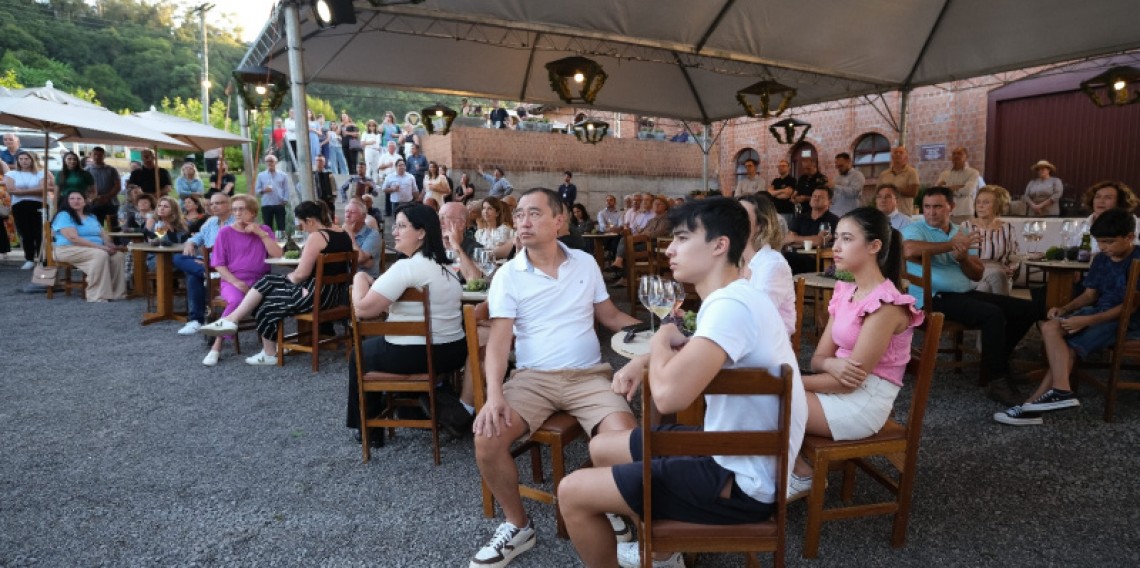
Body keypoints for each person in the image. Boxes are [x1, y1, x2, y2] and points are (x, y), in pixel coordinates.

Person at [558, 197, 807, 568]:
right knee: (603, 447)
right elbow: (697, 352)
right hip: (734, 453)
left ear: (719, 245)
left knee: (571, 492)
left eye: (682, 238)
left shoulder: (731, 306)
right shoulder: (736, 297)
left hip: (743, 482)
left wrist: (660, 338)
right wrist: (643, 360)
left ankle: (655, 542)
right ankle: (661, 552)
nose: (669, 249)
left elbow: (668, 396)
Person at [469, 188, 642, 568]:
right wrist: (495, 395)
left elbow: (611, 316)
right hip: (533, 379)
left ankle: (611, 503)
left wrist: (656, 331)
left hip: (588, 377)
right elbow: (498, 343)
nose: (523, 221)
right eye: (519, 215)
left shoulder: (585, 263)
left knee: (624, 442)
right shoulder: (508, 275)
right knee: (487, 437)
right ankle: (518, 525)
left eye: (534, 213)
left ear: (559, 221)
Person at [787, 207, 922, 499]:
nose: (835, 246)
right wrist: (832, 364)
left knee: (769, 399)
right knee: (763, 395)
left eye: (847, 239)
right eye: (836, 237)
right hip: (837, 386)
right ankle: (778, 473)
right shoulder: (845, 290)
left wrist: (789, 382)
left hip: (861, 404)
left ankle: (798, 474)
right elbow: (818, 360)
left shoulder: (886, 305)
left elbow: (850, 383)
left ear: (874, 246)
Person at [995, 209, 1140, 426]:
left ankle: (1031, 407)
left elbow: (1130, 307)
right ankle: (1060, 390)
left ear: (1130, 237)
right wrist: (1064, 309)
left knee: (1065, 348)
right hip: (1099, 313)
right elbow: (1090, 295)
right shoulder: (1102, 259)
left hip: (1127, 320)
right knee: (1050, 327)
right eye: (1100, 241)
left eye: (1109, 242)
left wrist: (1086, 321)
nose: (1103, 247)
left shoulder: (1137, 260)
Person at [346, 203, 470, 442]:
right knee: (380, 350)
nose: (394, 232)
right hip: (453, 351)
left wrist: (360, 278)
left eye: (402, 226)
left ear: (421, 232)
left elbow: (363, 309)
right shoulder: (447, 266)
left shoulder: (407, 267)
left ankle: (368, 430)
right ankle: (418, 407)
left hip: (420, 353)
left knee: (360, 354)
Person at [902, 186, 1036, 405]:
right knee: (992, 314)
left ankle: (996, 362)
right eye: (927, 207)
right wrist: (951, 245)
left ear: (951, 207)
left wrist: (963, 258)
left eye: (937, 207)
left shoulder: (961, 231)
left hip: (964, 292)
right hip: (932, 298)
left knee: (1027, 309)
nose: (931, 212)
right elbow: (909, 250)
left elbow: (977, 274)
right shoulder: (915, 228)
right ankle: (997, 380)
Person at [199, 201, 354, 365]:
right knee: (268, 282)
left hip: (316, 295)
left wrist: (286, 279)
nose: (302, 228)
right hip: (336, 294)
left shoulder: (317, 237)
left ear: (309, 221)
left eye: (301, 224)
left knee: (266, 300)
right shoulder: (342, 233)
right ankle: (234, 321)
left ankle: (268, 352)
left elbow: (301, 275)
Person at [202, 195, 282, 366]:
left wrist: (261, 234)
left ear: (252, 212)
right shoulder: (225, 232)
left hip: (261, 280)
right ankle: (216, 346)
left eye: (241, 209)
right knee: (237, 300)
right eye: (235, 209)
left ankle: (273, 346)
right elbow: (218, 264)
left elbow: (277, 255)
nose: (237, 213)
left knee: (277, 300)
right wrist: (236, 282)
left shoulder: (264, 230)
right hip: (233, 280)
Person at [174, 193, 236, 335]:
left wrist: (208, 261)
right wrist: (190, 243)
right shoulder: (211, 222)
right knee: (178, 258)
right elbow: (198, 236)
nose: (213, 206)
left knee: (192, 276)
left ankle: (196, 320)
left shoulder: (235, 223)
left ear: (229, 204)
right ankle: (205, 273)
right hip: (207, 264)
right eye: (212, 204)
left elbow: (231, 250)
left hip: (225, 265)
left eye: (218, 203)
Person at [49, 192, 126, 302]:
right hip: (67, 249)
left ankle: (116, 293)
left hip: (92, 249)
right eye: (72, 199)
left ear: (84, 202)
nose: (76, 201)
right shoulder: (64, 215)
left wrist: (109, 245)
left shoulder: (91, 217)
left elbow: (103, 234)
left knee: (118, 256)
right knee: (100, 255)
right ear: (67, 202)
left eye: (79, 198)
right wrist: (100, 247)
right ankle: (97, 295)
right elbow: (73, 238)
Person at [739, 194, 796, 335]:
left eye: (742, 216)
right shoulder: (736, 261)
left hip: (766, 343)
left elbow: (757, 317)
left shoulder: (772, 264)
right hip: (740, 338)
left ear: (761, 226)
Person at [964, 186, 1020, 296]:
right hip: (974, 274)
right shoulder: (966, 226)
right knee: (996, 274)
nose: (980, 206)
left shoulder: (1007, 228)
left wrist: (1011, 268)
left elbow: (1015, 256)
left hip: (1002, 273)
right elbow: (959, 255)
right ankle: (1004, 306)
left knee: (985, 287)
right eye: (978, 202)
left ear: (997, 206)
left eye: (986, 202)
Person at [4, 151, 54, 269]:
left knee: (40, 232)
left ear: (32, 160)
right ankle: (29, 258)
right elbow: (11, 190)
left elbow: (43, 189)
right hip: (19, 205)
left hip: (39, 204)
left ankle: (42, 257)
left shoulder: (41, 173)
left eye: (26, 159)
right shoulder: (12, 174)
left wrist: (21, 192)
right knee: (25, 233)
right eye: (21, 159)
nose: (24, 161)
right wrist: (32, 191)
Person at [784, 186, 840, 274]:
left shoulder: (833, 220)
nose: (816, 198)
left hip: (821, 260)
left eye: (821, 197)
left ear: (829, 201)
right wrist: (813, 240)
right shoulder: (800, 218)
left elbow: (820, 241)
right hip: (797, 257)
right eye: (814, 196)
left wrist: (795, 239)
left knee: (787, 258)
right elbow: (788, 240)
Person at [1082, 180, 1140, 253]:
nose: (1101, 201)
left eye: (1108, 198)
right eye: (1097, 197)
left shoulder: (1136, 224)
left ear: (1120, 201)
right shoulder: (1081, 225)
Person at [935, 147, 981, 220]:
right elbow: (937, 191)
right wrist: (959, 187)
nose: (956, 156)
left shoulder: (973, 173)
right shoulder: (944, 174)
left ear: (966, 156)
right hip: (947, 213)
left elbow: (968, 190)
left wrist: (947, 189)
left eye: (959, 153)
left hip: (964, 212)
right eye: (954, 154)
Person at [343, 199, 383, 276]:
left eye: (352, 212)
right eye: (346, 211)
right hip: (345, 278)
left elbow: (360, 258)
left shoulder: (372, 234)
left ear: (363, 217)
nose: (347, 215)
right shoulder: (341, 232)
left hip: (367, 279)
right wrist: (363, 262)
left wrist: (350, 234)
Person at [86, 146, 121, 230]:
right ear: (91, 155)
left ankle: (115, 239)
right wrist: (94, 198)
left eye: (100, 155)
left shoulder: (112, 170)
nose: (97, 157)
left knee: (114, 228)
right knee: (96, 228)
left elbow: (117, 186)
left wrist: (106, 197)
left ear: (104, 156)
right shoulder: (86, 171)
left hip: (111, 203)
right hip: (93, 204)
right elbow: (85, 187)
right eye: (95, 154)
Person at [255, 155, 292, 234]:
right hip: (266, 204)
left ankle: (282, 242)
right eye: (267, 161)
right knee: (267, 227)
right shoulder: (261, 175)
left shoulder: (283, 175)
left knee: (281, 227)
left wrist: (285, 200)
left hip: (279, 203)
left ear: (276, 162)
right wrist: (264, 190)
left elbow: (286, 189)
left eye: (271, 161)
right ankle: (269, 241)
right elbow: (257, 191)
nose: (269, 163)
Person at [879, 146, 920, 215]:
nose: (898, 154)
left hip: (903, 213)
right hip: (885, 214)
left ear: (906, 157)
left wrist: (893, 190)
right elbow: (878, 192)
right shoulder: (883, 174)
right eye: (895, 152)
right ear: (892, 157)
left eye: (901, 153)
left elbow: (913, 192)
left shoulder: (912, 172)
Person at [828, 152, 867, 217]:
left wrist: (835, 186)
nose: (839, 169)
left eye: (841, 166)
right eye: (837, 167)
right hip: (835, 212)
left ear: (848, 162)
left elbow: (854, 192)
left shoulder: (857, 175)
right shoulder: (838, 177)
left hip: (850, 212)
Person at [766, 158, 797, 224]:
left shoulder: (792, 180)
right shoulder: (775, 180)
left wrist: (774, 194)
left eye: (783, 166)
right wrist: (783, 190)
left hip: (786, 212)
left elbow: (786, 196)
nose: (781, 167)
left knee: (786, 229)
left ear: (788, 168)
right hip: (775, 211)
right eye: (779, 166)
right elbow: (769, 193)